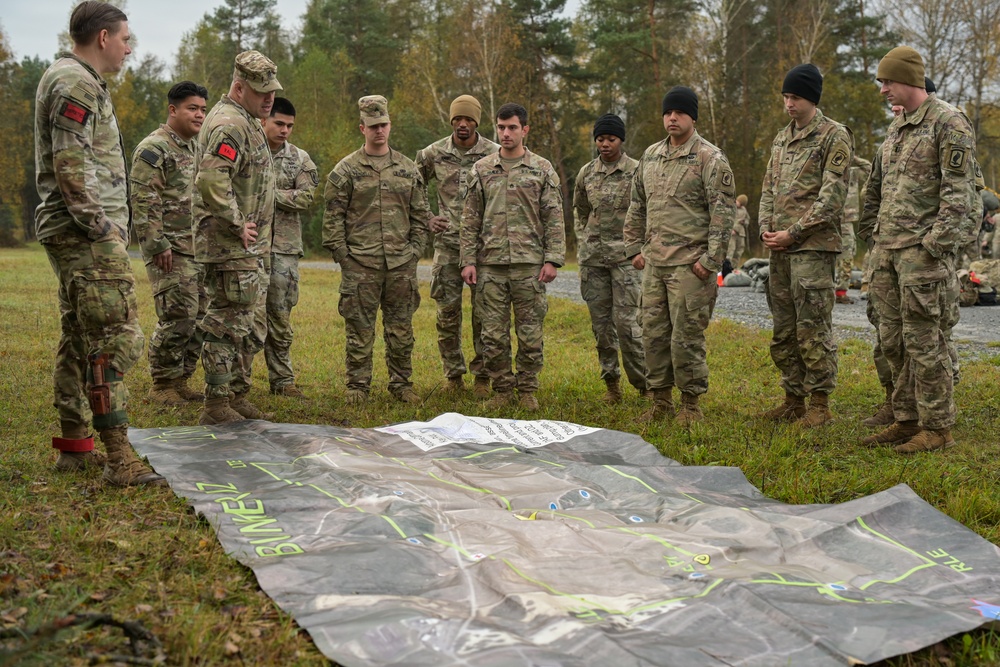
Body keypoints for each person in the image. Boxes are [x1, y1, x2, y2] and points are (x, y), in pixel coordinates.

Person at [34, 1, 163, 486]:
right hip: (85, 233)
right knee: (117, 337)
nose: (129, 48)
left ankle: (75, 444)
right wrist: (102, 227)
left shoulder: (72, 79)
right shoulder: (76, 83)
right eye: (126, 39)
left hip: (74, 230)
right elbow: (71, 165)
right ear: (104, 37)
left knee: (80, 334)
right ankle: (119, 459)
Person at [858, 46, 977, 453]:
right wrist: (873, 237)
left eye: (887, 82)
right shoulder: (897, 128)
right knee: (892, 339)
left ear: (909, 79)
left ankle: (938, 427)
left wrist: (933, 247)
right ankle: (906, 419)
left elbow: (958, 194)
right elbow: (878, 187)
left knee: (926, 342)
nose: (883, 91)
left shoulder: (949, 123)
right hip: (887, 252)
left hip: (921, 256)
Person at [623, 86, 736, 425]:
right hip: (655, 265)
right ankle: (660, 402)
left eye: (680, 112)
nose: (672, 118)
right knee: (653, 334)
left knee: (685, 337)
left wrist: (710, 261)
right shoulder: (651, 155)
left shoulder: (709, 158)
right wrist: (633, 248)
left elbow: (723, 213)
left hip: (691, 266)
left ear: (693, 117)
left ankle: (690, 405)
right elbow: (637, 204)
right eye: (668, 112)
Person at [758, 64, 853, 428]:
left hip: (812, 247)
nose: (789, 104)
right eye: (785, 97)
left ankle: (819, 405)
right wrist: (767, 228)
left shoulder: (834, 136)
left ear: (811, 98)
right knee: (784, 327)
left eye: (795, 97)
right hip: (779, 249)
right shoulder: (782, 138)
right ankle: (793, 398)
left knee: (812, 327)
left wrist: (794, 232)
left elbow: (832, 197)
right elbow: (769, 187)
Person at [323, 95, 431, 404]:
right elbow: (333, 217)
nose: (379, 131)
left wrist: (414, 252)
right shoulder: (346, 170)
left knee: (401, 330)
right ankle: (357, 386)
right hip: (361, 263)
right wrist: (345, 258)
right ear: (362, 128)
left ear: (390, 125)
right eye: (373, 126)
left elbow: (421, 215)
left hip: (400, 263)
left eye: (383, 124)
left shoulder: (408, 170)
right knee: (359, 329)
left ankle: (402, 385)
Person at [460, 103, 566, 411]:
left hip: (529, 265)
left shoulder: (541, 169)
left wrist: (553, 259)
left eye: (512, 128)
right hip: (490, 265)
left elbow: (553, 217)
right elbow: (470, 218)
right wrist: (467, 260)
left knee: (530, 333)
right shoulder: (481, 169)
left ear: (525, 130)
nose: (506, 134)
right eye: (501, 128)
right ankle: (502, 390)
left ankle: (528, 390)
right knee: (492, 334)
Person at [194, 50, 280, 424]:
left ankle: (234, 394)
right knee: (225, 324)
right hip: (230, 246)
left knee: (244, 323)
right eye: (262, 91)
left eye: (272, 91)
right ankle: (215, 406)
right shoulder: (230, 123)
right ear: (239, 86)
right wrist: (235, 222)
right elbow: (212, 178)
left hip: (247, 248)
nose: (269, 98)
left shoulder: (247, 120)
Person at [414, 95, 499, 397]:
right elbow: (413, 185)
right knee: (447, 314)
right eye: (457, 119)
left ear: (477, 121)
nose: (463, 125)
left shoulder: (494, 154)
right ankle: (453, 376)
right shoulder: (433, 153)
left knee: (485, 316)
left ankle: (483, 377)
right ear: (451, 121)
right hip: (448, 246)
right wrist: (427, 216)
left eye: (469, 120)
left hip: (484, 249)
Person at [131, 81, 208, 408]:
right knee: (178, 316)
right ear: (173, 109)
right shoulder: (154, 148)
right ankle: (162, 383)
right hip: (168, 250)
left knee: (200, 318)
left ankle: (180, 380)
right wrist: (156, 243)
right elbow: (143, 200)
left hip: (197, 250)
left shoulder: (194, 148)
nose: (200, 115)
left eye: (203, 110)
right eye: (193, 108)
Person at [573, 113, 647, 404]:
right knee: (602, 328)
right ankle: (612, 385)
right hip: (593, 262)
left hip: (626, 261)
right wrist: (585, 240)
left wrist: (639, 248)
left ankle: (644, 386)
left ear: (621, 140)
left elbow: (647, 213)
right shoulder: (586, 173)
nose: (605, 144)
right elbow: (580, 210)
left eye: (611, 139)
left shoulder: (637, 172)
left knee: (628, 326)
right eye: (600, 139)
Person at [261, 97, 318, 398]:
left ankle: (282, 381)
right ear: (264, 121)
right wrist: (285, 193)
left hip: (283, 249)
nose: (284, 130)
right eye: (279, 123)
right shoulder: (249, 152)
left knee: (280, 317)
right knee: (243, 316)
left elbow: (306, 199)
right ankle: (234, 383)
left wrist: (264, 194)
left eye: (290, 126)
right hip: (248, 247)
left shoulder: (300, 159)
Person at [835, 156, 871, 305]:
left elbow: (870, 169)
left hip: (846, 219)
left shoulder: (852, 171)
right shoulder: (825, 169)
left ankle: (841, 292)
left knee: (847, 256)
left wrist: (852, 156)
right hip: (825, 218)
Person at [728, 194, 750, 266]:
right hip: (732, 233)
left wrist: (745, 222)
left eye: (738, 202)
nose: (736, 202)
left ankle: (734, 268)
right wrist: (730, 229)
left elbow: (747, 219)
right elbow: (727, 219)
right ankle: (727, 269)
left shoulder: (744, 210)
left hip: (741, 233)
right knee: (730, 251)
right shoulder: (731, 207)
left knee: (739, 251)